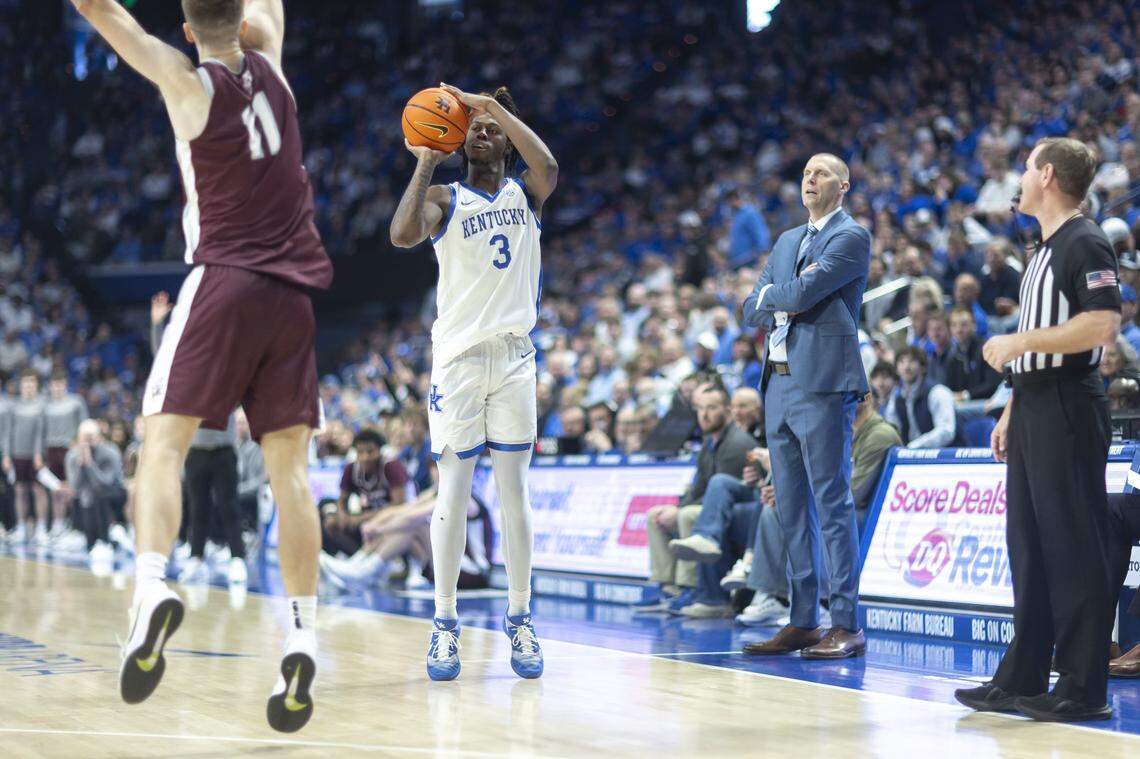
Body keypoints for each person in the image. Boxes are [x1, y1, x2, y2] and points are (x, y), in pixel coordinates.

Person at [73, 0, 333, 730]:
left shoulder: (185, 82)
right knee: (292, 477)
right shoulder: (276, 66)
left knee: (161, 443)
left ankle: (153, 585)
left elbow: (97, 8)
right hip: (293, 298)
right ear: (248, 22)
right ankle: (303, 632)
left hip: (224, 279)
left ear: (188, 30)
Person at [390, 80, 558, 682]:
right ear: (462, 141)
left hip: (514, 356)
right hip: (458, 360)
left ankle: (520, 616)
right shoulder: (444, 196)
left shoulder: (526, 192)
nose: (483, 132)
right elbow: (402, 234)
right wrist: (426, 159)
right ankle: (443, 624)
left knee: (515, 492)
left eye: (492, 127)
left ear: (505, 140)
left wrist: (494, 109)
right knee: (453, 492)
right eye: (476, 126)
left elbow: (549, 164)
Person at [956, 137, 1122, 722]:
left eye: (1026, 168)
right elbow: (1037, 344)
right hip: (1032, 406)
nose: (1019, 178)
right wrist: (1009, 409)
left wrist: (1018, 343)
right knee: (1028, 546)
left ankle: (1082, 688)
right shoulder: (1042, 248)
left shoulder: (1085, 239)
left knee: (1072, 545)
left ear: (1047, 176)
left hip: (1069, 407)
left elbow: (1102, 323)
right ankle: (1022, 676)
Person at [741, 152, 870, 659]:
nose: (810, 179)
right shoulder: (787, 240)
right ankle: (802, 619)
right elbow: (751, 307)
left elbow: (797, 295)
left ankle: (846, 622)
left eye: (821, 173)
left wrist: (777, 293)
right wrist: (778, 293)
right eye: (805, 174)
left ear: (844, 185)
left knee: (831, 501)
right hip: (777, 385)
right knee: (791, 507)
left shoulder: (851, 236)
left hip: (823, 383)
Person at [632, 384, 754, 613]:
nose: (704, 415)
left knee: (687, 515)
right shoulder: (710, 443)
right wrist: (676, 508)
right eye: (700, 408)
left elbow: (721, 494)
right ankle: (667, 587)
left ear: (727, 410)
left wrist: (681, 511)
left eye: (712, 408)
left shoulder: (738, 443)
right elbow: (697, 489)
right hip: (711, 505)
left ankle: (691, 588)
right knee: (656, 515)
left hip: (733, 511)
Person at [320, 429, 408, 557]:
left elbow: (399, 505)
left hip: (393, 518)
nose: (365, 457)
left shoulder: (391, 466)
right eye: (360, 452)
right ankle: (357, 558)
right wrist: (342, 515)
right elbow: (342, 499)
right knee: (330, 519)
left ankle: (370, 561)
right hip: (368, 516)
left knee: (376, 523)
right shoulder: (351, 468)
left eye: (370, 452)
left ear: (380, 451)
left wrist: (360, 518)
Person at [64, 419, 127, 567]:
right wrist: (81, 465)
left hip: (114, 494)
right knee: (90, 543)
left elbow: (105, 483)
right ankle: (96, 538)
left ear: (98, 437)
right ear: (78, 438)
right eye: (84, 438)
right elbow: (75, 487)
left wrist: (90, 464)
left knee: (100, 496)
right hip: (88, 496)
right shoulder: (72, 455)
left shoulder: (110, 451)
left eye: (90, 438)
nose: (87, 442)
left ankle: (106, 540)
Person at [43, 371, 87, 543]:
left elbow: (83, 424)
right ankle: (58, 525)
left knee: (72, 489)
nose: (57, 388)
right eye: (54, 384)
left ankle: (74, 526)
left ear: (66, 384)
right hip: (51, 450)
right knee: (56, 490)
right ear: (50, 386)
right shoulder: (46, 405)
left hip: (70, 450)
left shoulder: (76, 402)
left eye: (60, 384)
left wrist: (79, 446)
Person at [883, 346, 957, 448]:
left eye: (912, 361)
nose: (906, 367)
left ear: (923, 367)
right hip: (910, 456)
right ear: (896, 369)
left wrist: (914, 447)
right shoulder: (896, 397)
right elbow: (891, 430)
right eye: (901, 362)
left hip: (947, 457)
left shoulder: (938, 392)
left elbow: (946, 431)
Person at [4, 371, 47, 545]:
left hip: (36, 456)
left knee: (38, 491)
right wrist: (7, 455)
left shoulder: (42, 405)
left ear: (36, 386)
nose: (28, 387)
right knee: (20, 491)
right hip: (17, 455)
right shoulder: (13, 406)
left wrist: (38, 453)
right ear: (21, 387)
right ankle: (21, 527)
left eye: (31, 384)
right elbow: (7, 432)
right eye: (25, 384)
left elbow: (41, 433)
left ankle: (41, 528)